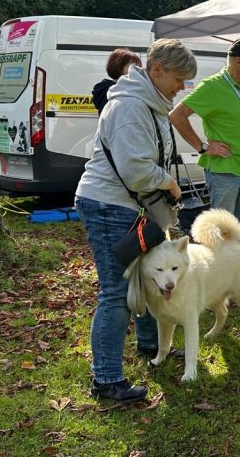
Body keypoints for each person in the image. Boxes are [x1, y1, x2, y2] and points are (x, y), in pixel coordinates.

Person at [74, 38, 197, 402]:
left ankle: (149, 344)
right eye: (179, 79)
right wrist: (169, 183)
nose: (182, 87)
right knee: (116, 292)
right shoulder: (130, 106)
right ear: (156, 70)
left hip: (130, 207)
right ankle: (107, 379)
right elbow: (136, 170)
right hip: (109, 206)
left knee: (145, 278)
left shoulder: (148, 102)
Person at [170, 38, 240, 298]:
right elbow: (177, 115)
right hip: (224, 173)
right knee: (220, 234)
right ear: (239, 61)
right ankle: (218, 286)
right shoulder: (213, 87)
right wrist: (203, 146)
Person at [93, 48, 142, 113]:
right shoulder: (106, 91)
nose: (138, 70)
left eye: (139, 67)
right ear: (118, 66)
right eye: (133, 66)